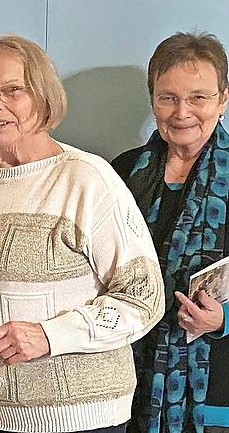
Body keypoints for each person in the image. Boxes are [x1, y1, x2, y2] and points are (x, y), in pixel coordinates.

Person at [0, 35, 165, 433]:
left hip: (80, 419)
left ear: (43, 98)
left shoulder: (88, 179)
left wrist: (50, 336)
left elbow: (144, 299)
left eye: (12, 90)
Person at [112, 32, 229, 433]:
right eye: (168, 98)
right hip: (124, 380)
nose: (182, 112)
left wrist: (222, 319)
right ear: (152, 100)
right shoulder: (122, 172)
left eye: (198, 97)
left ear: (223, 100)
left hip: (212, 392)